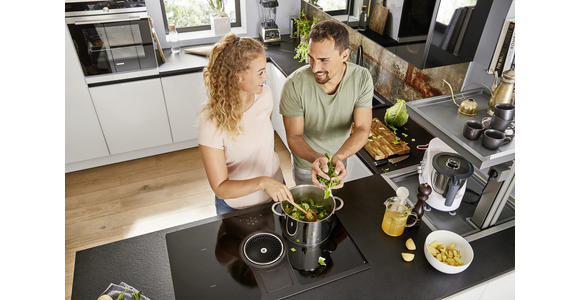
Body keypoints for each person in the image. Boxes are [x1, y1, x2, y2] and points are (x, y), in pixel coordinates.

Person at [199, 33, 293, 215]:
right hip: (237, 208)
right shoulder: (211, 120)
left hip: (276, 194)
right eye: (260, 73)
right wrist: (263, 182)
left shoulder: (265, 95)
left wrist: (272, 183)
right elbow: (220, 187)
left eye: (265, 70)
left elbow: (266, 147)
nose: (265, 78)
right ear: (237, 76)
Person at [280, 20, 373, 189]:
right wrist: (316, 159)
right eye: (311, 58)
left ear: (344, 55)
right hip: (307, 166)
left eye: (323, 60)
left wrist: (338, 158)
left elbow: (362, 129)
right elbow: (294, 137)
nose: (315, 68)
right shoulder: (293, 84)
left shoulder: (362, 78)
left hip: (340, 162)